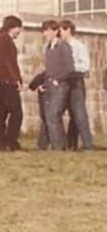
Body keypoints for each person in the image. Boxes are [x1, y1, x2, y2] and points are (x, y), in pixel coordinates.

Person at [0, 15, 24, 152]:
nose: (19, 31)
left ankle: (0, 144)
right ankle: (11, 142)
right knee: (16, 112)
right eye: (18, 28)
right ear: (12, 28)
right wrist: (17, 80)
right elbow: (11, 63)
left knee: (0, 114)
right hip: (5, 81)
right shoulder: (6, 42)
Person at [59, 19, 94, 150]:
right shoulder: (59, 46)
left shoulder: (79, 46)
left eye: (61, 31)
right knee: (59, 113)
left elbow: (85, 66)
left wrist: (70, 67)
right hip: (63, 82)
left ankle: (87, 144)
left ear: (68, 30)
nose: (59, 34)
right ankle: (68, 144)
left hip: (75, 82)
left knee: (79, 114)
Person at [41, 19, 75, 151]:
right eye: (44, 31)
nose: (45, 33)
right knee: (50, 116)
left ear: (55, 31)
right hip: (49, 85)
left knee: (54, 114)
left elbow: (69, 68)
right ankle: (60, 145)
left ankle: (59, 147)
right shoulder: (48, 47)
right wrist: (44, 84)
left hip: (60, 85)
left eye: (48, 30)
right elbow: (48, 69)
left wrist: (58, 80)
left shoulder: (63, 46)